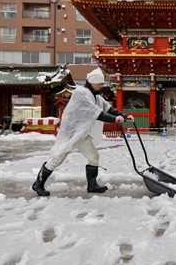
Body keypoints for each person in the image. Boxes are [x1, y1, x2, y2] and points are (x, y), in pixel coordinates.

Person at [31, 68, 133, 196]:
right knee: (57, 158)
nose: (102, 86)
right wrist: (114, 119)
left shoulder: (96, 96)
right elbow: (95, 112)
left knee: (93, 156)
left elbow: (108, 108)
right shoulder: (80, 93)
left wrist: (124, 116)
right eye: (100, 83)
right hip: (71, 132)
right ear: (93, 82)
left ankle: (92, 185)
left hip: (82, 134)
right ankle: (38, 184)